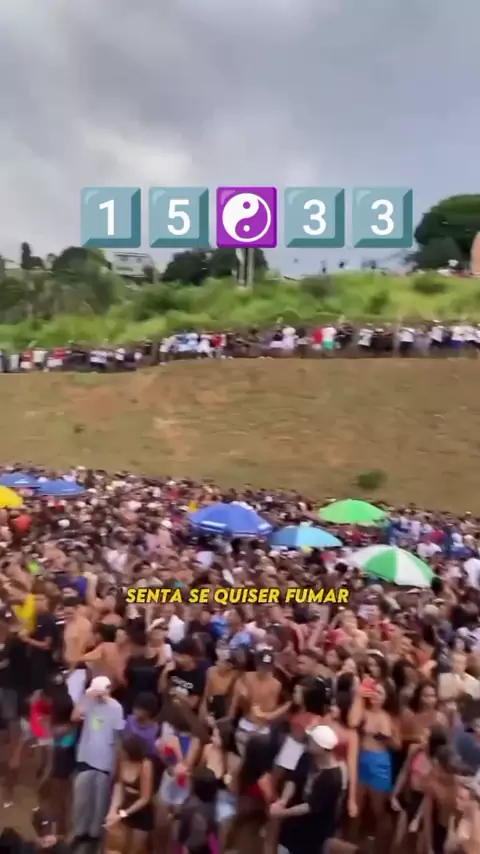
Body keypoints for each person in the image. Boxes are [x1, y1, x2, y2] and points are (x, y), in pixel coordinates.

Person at [271, 725, 343, 854]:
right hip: (292, 826)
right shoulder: (306, 757)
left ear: (321, 747)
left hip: (314, 832)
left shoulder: (333, 777)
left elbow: (310, 806)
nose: (308, 740)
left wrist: (282, 813)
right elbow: (293, 780)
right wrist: (283, 801)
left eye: (312, 740)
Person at [71, 675, 125, 844]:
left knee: (100, 801)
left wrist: (116, 765)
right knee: (81, 799)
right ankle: (80, 831)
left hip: (105, 761)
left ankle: (94, 835)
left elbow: (118, 738)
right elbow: (74, 717)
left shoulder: (116, 708)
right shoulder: (88, 702)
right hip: (86, 757)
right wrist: (86, 698)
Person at [104, 733, 154, 854]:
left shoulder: (146, 765)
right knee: (118, 846)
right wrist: (113, 810)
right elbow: (119, 786)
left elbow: (145, 798)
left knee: (135, 849)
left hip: (140, 810)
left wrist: (123, 814)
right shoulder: (122, 762)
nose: (120, 752)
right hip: (125, 805)